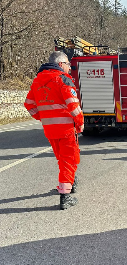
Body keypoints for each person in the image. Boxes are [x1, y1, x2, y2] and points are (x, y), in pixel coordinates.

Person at [24, 51, 84, 210]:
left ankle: (70, 182)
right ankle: (65, 197)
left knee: (62, 159)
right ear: (60, 64)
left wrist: (43, 117)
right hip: (65, 128)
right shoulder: (63, 79)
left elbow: (29, 104)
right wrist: (80, 123)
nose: (69, 69)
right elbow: (73, 105)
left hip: (50, 130)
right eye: (68, 65)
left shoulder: (38, 80)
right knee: (69, 160)